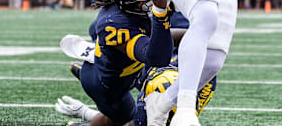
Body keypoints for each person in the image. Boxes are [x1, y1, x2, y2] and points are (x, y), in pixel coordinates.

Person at [57, 0, 173, 126]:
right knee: (133, 120)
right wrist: (160, 12)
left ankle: (95, 57)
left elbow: (94, 29)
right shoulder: (115, 23)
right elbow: (157, 57)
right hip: (108, 87)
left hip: (126, 68)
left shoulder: (121, 11)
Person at [56, 11, 217, 126]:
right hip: (165, 69)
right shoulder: (162, 95)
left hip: (159, 69)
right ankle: (106, 55)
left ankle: (106, 56)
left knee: (125, 110)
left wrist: (87, 114)